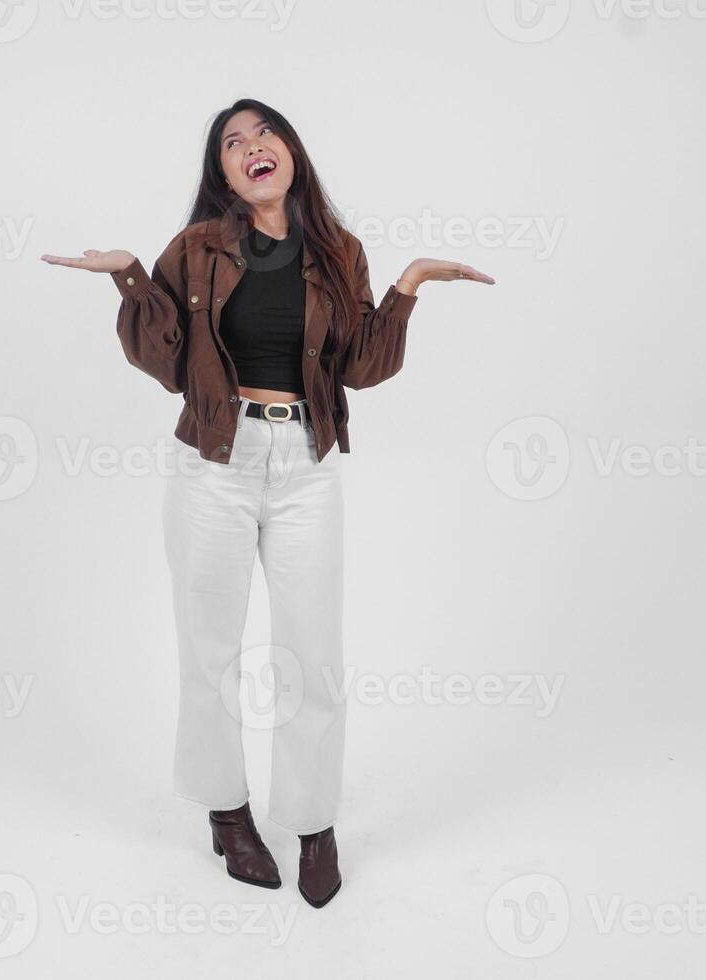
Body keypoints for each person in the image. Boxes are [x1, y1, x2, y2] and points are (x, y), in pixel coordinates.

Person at [42, 98, 494, 908]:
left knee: (313, 655)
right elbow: (168, 362)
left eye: (265, 133)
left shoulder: (337, 250)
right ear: (221, 173)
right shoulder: (195, 249)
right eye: (233, 143)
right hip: (215, 460)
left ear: (291, 149)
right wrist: (128, 276)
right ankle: (227, 812)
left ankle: (314, 825)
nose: (253, 147)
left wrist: (409, 285)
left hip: (306, 465)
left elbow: (359, 368)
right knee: (209, 651)